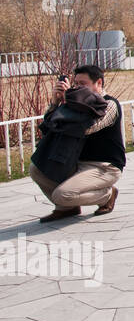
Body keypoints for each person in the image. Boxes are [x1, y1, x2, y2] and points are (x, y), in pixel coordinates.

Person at [30, 65, 125, 223]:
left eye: (83, 84)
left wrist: (71, 100)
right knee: (36, 169)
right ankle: (67, 208)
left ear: (99, 83)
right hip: (77, 164)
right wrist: (55, 103)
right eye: (76, 84)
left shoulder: (110, 105)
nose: (78, 88)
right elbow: (49, 128)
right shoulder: (75, 104)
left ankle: (107, 195)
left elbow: (87, 128)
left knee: (62, 195)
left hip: (105, 166)